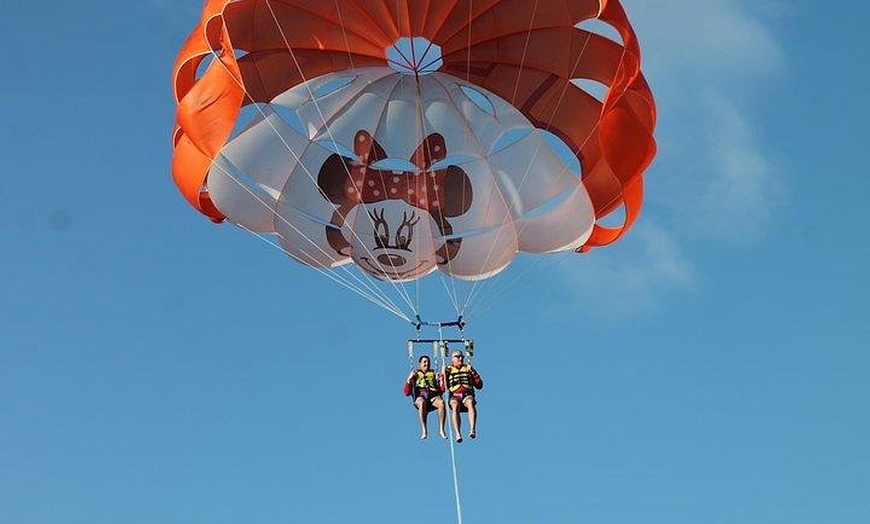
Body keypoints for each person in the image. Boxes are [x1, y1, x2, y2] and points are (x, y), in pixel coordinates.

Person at [443, 350, 483, 442]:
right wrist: (443, 375)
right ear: (452, 359)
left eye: (462, 357)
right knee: (455, 405)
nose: (460, 358)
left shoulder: (468, 368)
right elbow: (442, 388)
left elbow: (479, 385)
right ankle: (457, 433)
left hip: (467, 394)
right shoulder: (449, 370)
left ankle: (472, 429)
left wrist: (473, 372)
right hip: (455, 395)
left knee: (470, 402)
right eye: (458, 357)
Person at [403, 355, 447, 440]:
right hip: (421, 396)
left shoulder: (434, 374)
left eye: (428, 362)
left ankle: (441, 429)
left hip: (433, 397)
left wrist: (441, 378)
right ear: (420, 364)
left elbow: (442, 389)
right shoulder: (415, 374)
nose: (427, 364)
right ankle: (424, 429)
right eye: (424, 362)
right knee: (421, 402)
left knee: (442, 403)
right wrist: (409, 379)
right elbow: (406, 392)